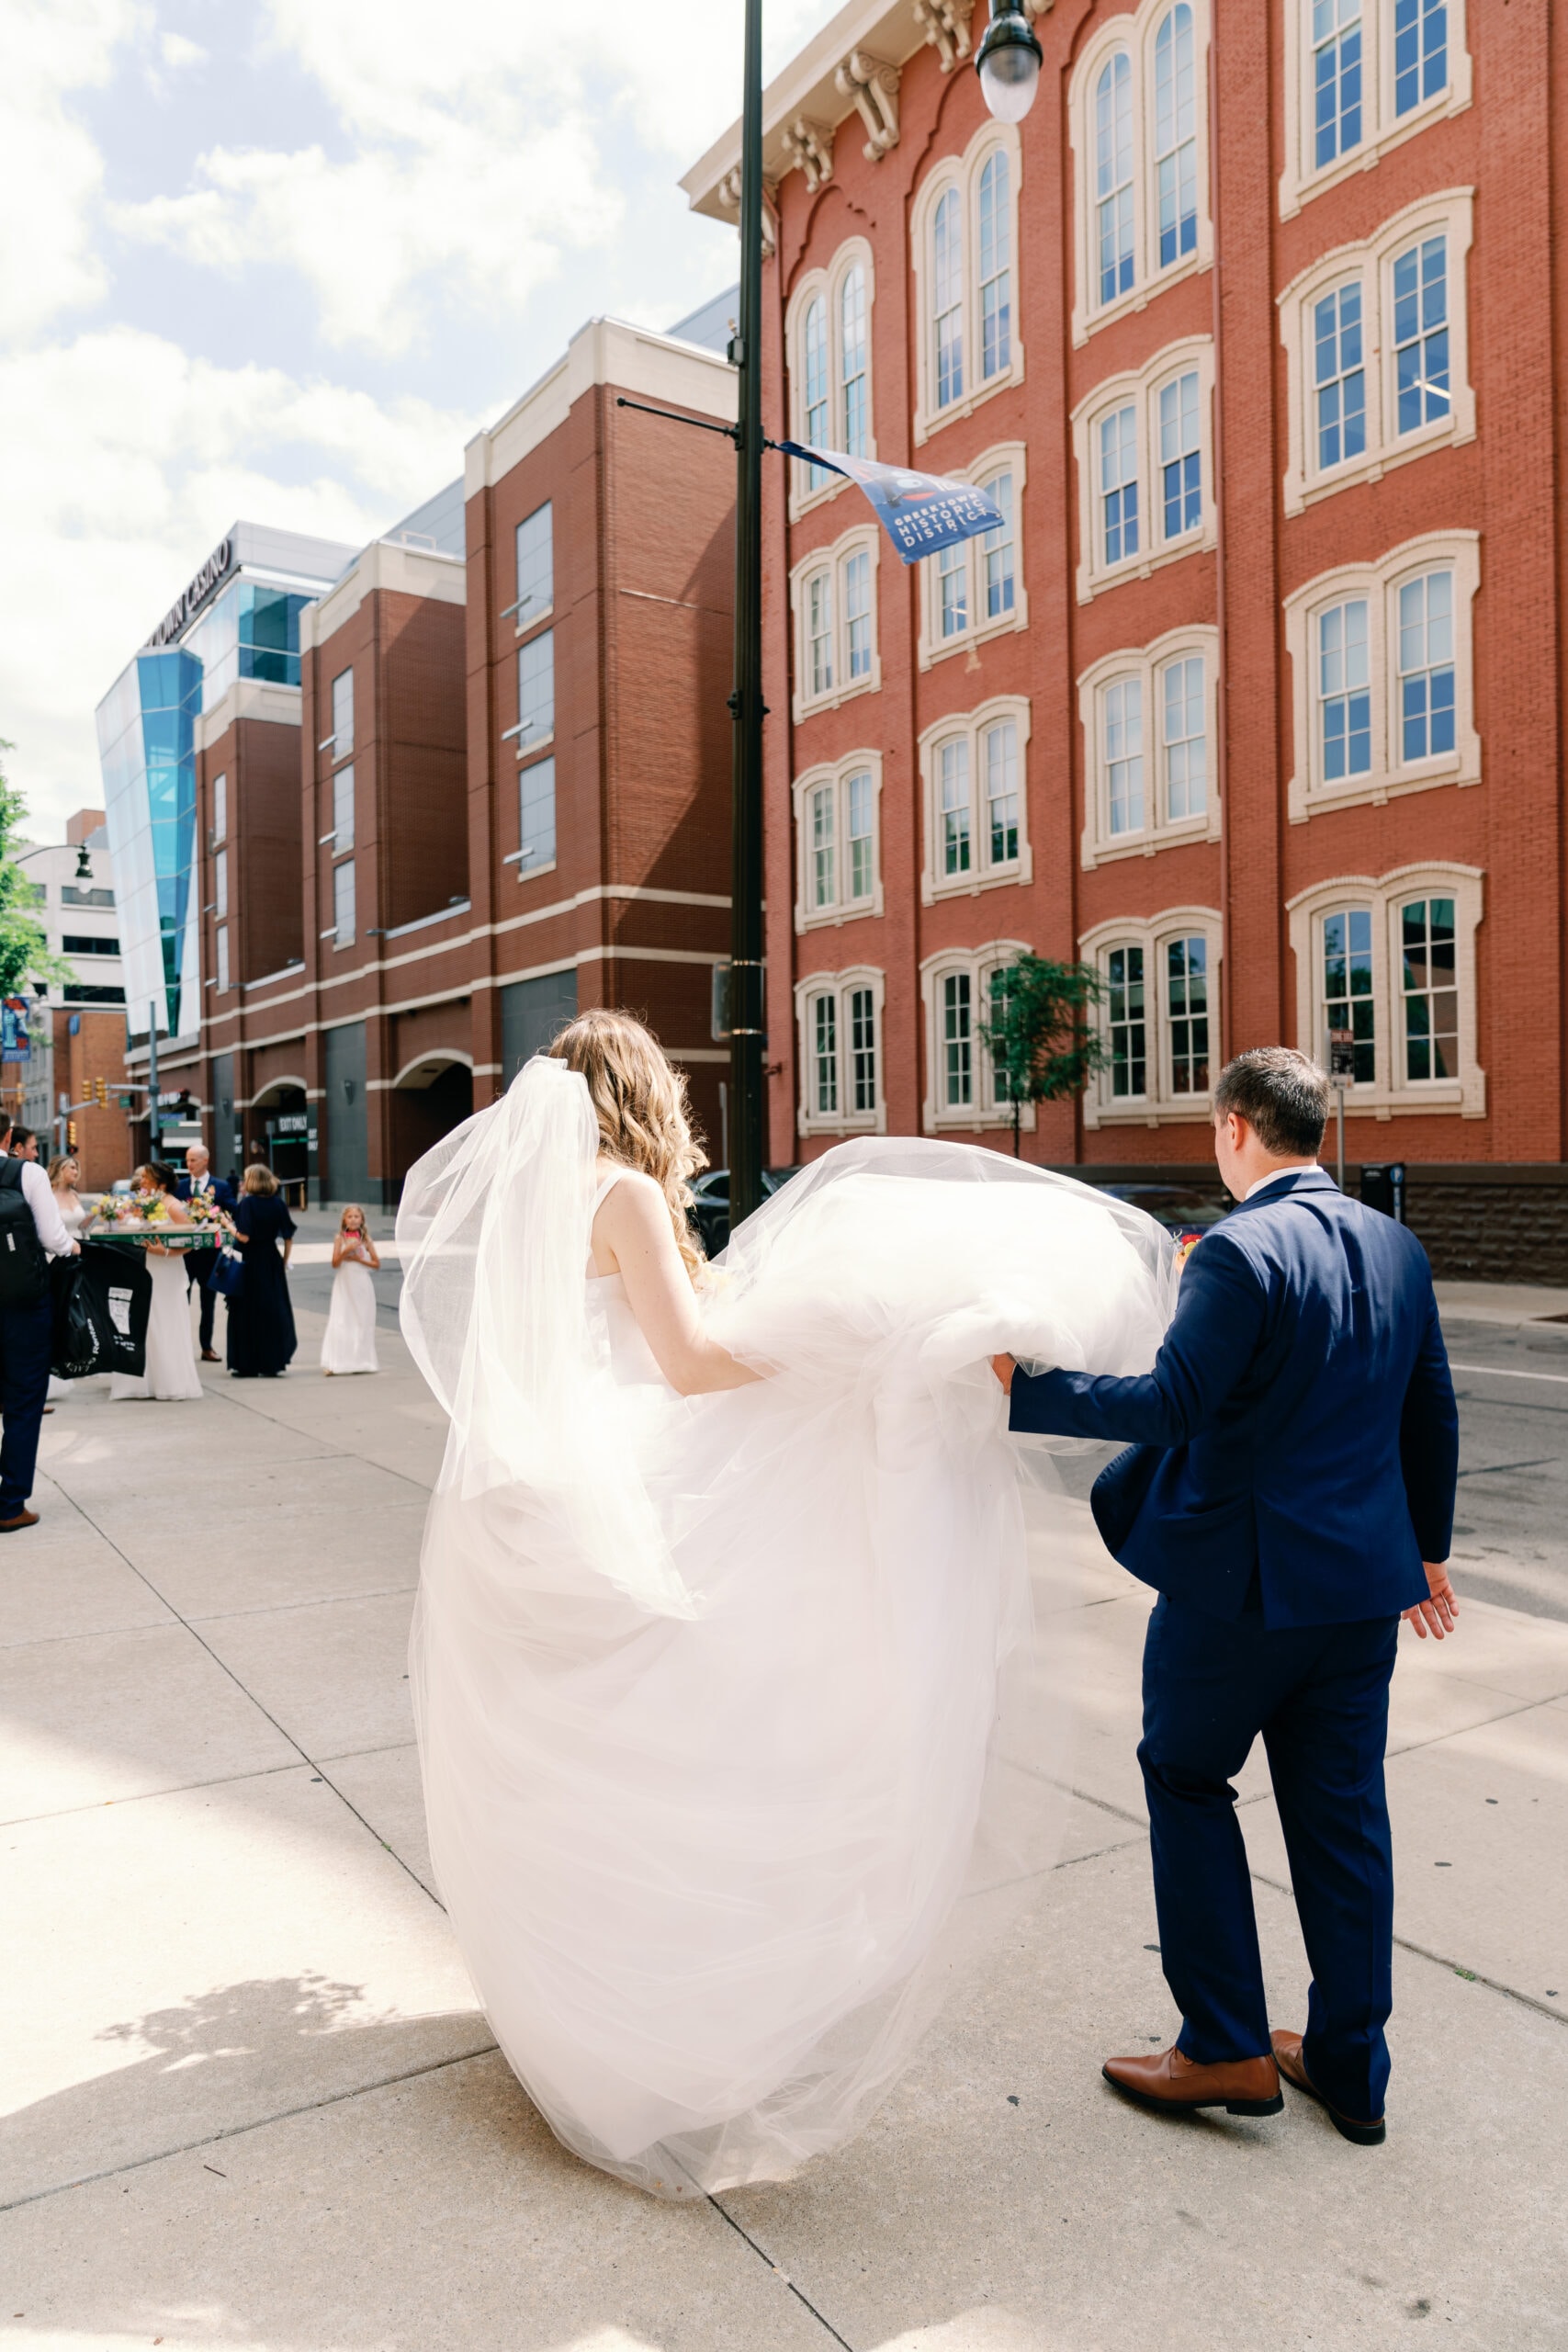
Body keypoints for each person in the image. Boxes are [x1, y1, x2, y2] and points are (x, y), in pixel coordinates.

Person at [398, 1011, 1174, 2197]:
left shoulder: (535, 1204)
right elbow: (690, 1364)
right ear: (639, 1090)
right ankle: (673, 2019)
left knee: (594, 1761)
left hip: (542, 1487)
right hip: (632, 1467)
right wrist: (836, 1344)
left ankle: (587, 2008)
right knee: (734, 1722)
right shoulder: (625, 1196)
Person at [996, 1047, 1459, 2148]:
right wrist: (1427, 1553)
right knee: (1343, 1819)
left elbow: (1172, 1404)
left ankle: (1225, 2045)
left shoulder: (1239, 1250)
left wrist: (1031, 1388)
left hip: (1238, 1590)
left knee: (1186, 1775)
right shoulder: (1395, 1243)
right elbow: (1430, 1407)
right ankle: (1351, 2066)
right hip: (1361, 1593)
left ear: (1237, 1127)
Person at [0, 1114, 79, 1528]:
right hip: (22, 1303)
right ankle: (10, 1505)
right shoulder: (26, 1173)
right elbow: (53, 1239)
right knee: (24, 1401)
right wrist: (74, 1247)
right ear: (8, 1136)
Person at [108, 1163, 203, 1403]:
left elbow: (192, 1241)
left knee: (165, 1321)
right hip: (143, 1267)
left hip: (166, 1270)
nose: (141, 1181)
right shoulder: (143, 1203)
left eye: (146, 1178)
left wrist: (166, 1252)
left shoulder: (174, 1206)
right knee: (144, 1322)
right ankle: (141, 1383)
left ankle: (168, 1382)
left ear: (161, 1183)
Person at [226, 1163, 297, 1377]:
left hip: (249, 1261)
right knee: (271, 1309)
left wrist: (227, 1224)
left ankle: (247, 1364)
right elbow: (288, 1236)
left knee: (246, 1311)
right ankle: (271, 1362)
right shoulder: (278, 1203)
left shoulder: (247, 1204)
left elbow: (244, 1237)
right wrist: (284, 1261)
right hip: (270, 1259)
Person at [177, 1143, 237, 1363]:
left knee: (207, 1303)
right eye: (187, 1160)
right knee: (180, 1301)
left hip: (209, 1255)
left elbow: (232, 1210)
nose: (189, 1164)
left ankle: (206, 1347)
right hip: (183, 1254)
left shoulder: (220, 1187)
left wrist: (215, 1213)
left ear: (205, 1160)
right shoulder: (180, 1186)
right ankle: (180, 1347)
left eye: (193, 1160)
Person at [44, 1156, 92, 1408]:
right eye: (71, 1167)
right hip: (56, 1254)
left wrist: (98, 1214)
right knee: (60, 1307)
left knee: (79, 1307)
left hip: (78, 1251)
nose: (75, 1170)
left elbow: (80, 1224)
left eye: (76, 1167)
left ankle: (78, 1354)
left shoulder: (74, 1195)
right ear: (60, 1170)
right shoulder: (48, 1196)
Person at [321, 1205, 381, 1374]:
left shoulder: (366, 1239)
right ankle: (336, 1362)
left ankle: (360, 1361)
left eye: (356, 1216)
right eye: (350, 1217)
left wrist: (358, 1260)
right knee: (341, 1319)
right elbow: (335, 1263)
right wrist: (345, 1251)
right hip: (344, 1283)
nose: (353, 1219)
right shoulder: (340, 1238)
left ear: (362, 1220)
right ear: (344, 1220)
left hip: (361, 1283)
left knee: (361, 1321)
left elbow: (376, 1264)